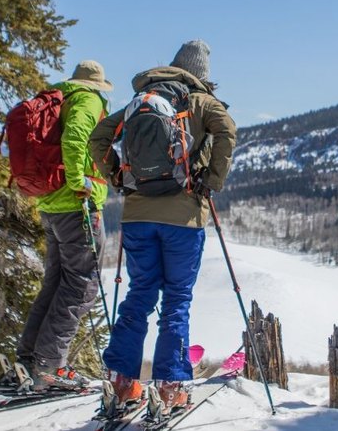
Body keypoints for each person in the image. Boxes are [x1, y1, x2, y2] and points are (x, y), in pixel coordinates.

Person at [89, 40, 236, 413]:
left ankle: (121, 384)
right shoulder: (200, 101)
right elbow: (227, 131)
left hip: (137, 216)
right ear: (202, 74)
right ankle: (170, 388)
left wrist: (119, 180)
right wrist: (212, 181)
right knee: (176, 302)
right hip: (183, 218)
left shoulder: (142, 99)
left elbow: (98, 139)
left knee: (138, 296)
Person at [16, 60, 111, 391]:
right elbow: (74, 140)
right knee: (82, 285)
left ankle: (29, 358)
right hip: (76, 205)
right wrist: (78, 183)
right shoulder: (88, 100)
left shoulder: (61, 98)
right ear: (97, 84)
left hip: (51, 205)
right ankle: (50, 366)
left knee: (56, 281)